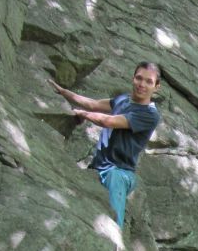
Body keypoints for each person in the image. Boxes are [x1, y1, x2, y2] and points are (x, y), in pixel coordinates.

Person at [50, 62, 162, 228]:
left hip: (119, 173)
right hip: (98, 168)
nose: (142, 84)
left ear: (156, 87)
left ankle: (116, 248)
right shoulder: (123, 100)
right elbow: (93, 104)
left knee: (112, 225)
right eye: (139, 78)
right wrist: (64, 92)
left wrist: (83, 114)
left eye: (148, 81)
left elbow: (108, 121)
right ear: (133, 78)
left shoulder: (149, 114)